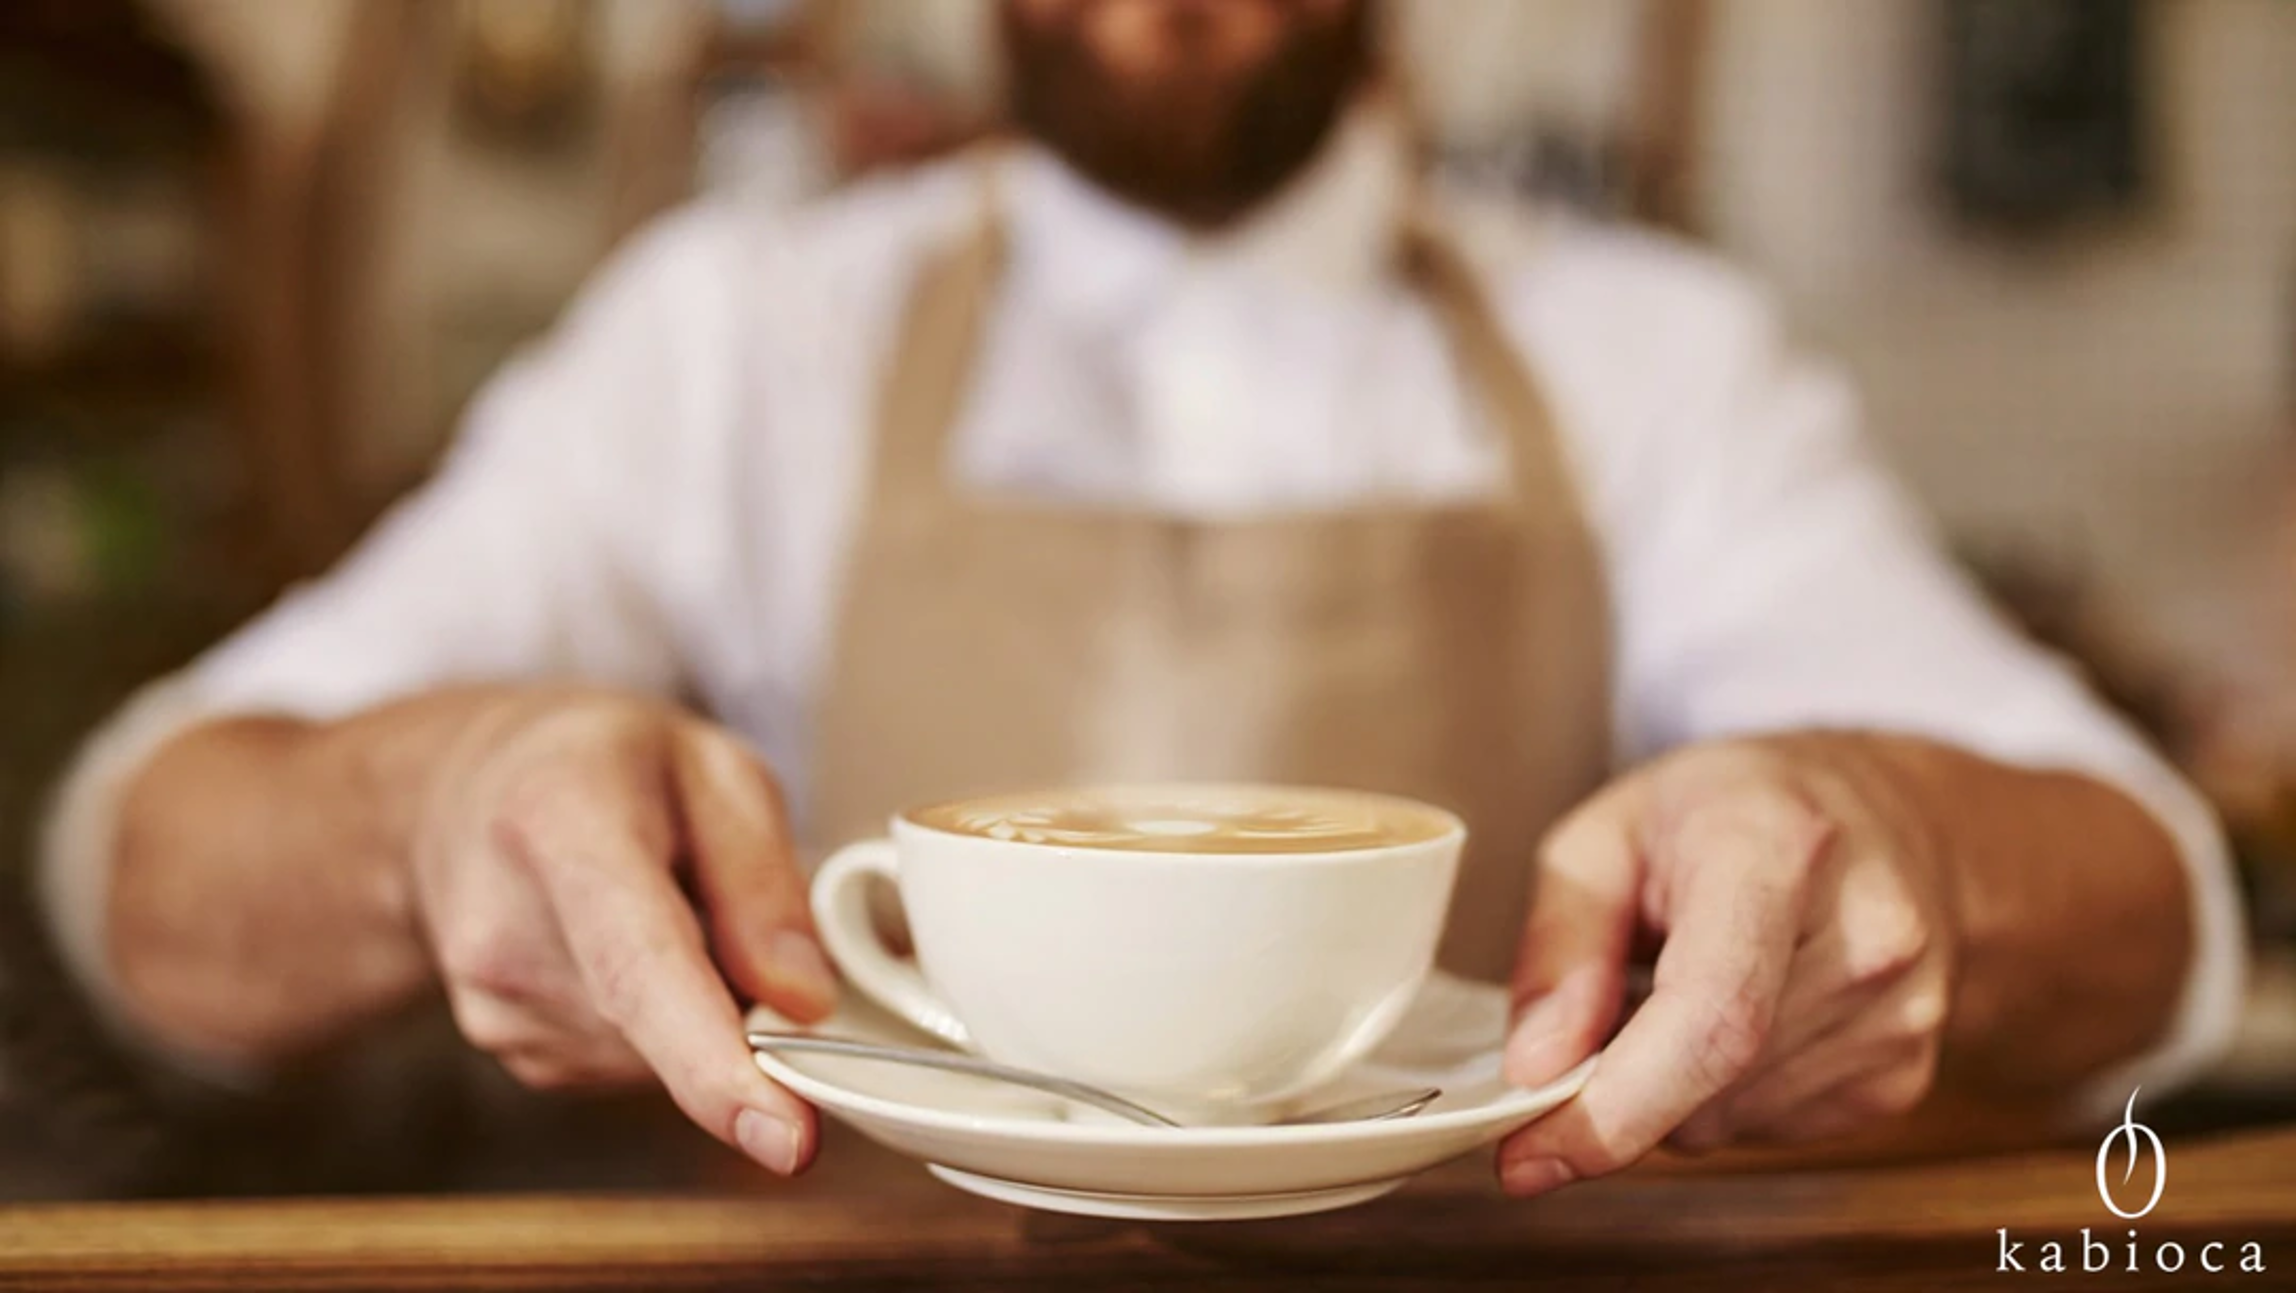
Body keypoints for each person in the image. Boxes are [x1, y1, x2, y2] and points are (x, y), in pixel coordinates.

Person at [37, 0, 2242, 1197]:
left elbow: (2146, 892)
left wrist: (1906, 850)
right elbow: (141, 865)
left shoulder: (1652, 351)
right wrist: (440, 800)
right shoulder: (731, 333)